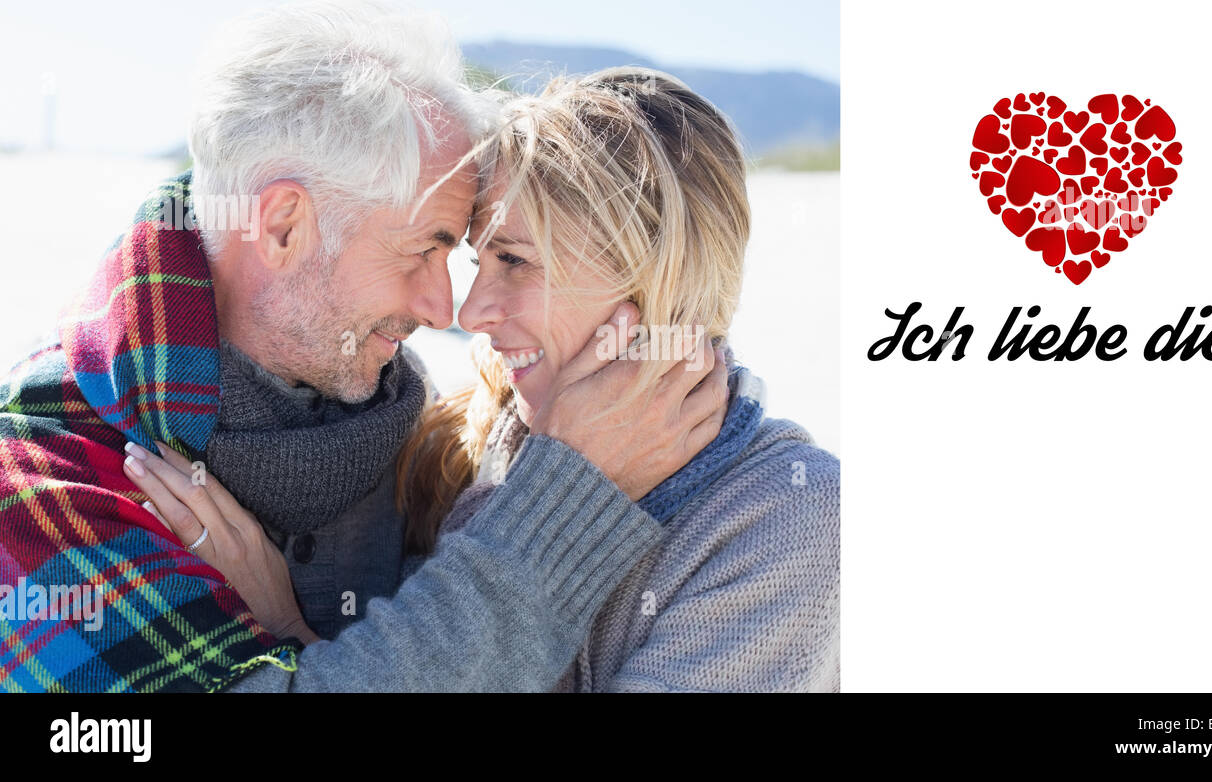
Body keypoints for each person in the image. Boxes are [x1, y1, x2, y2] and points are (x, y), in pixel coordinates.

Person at [0, 1, 725, 693]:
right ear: (283, 227)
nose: (446, 309)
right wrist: (566, 502)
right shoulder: (41, 475)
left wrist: (290, 627)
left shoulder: (413, 429)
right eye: (422, 251)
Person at [135, 67, 841, 691]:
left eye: (516, 262)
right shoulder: (469, 441)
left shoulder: (788, 518)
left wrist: (291, 633)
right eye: (480, 261)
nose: (471, 312)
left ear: (657, 278)